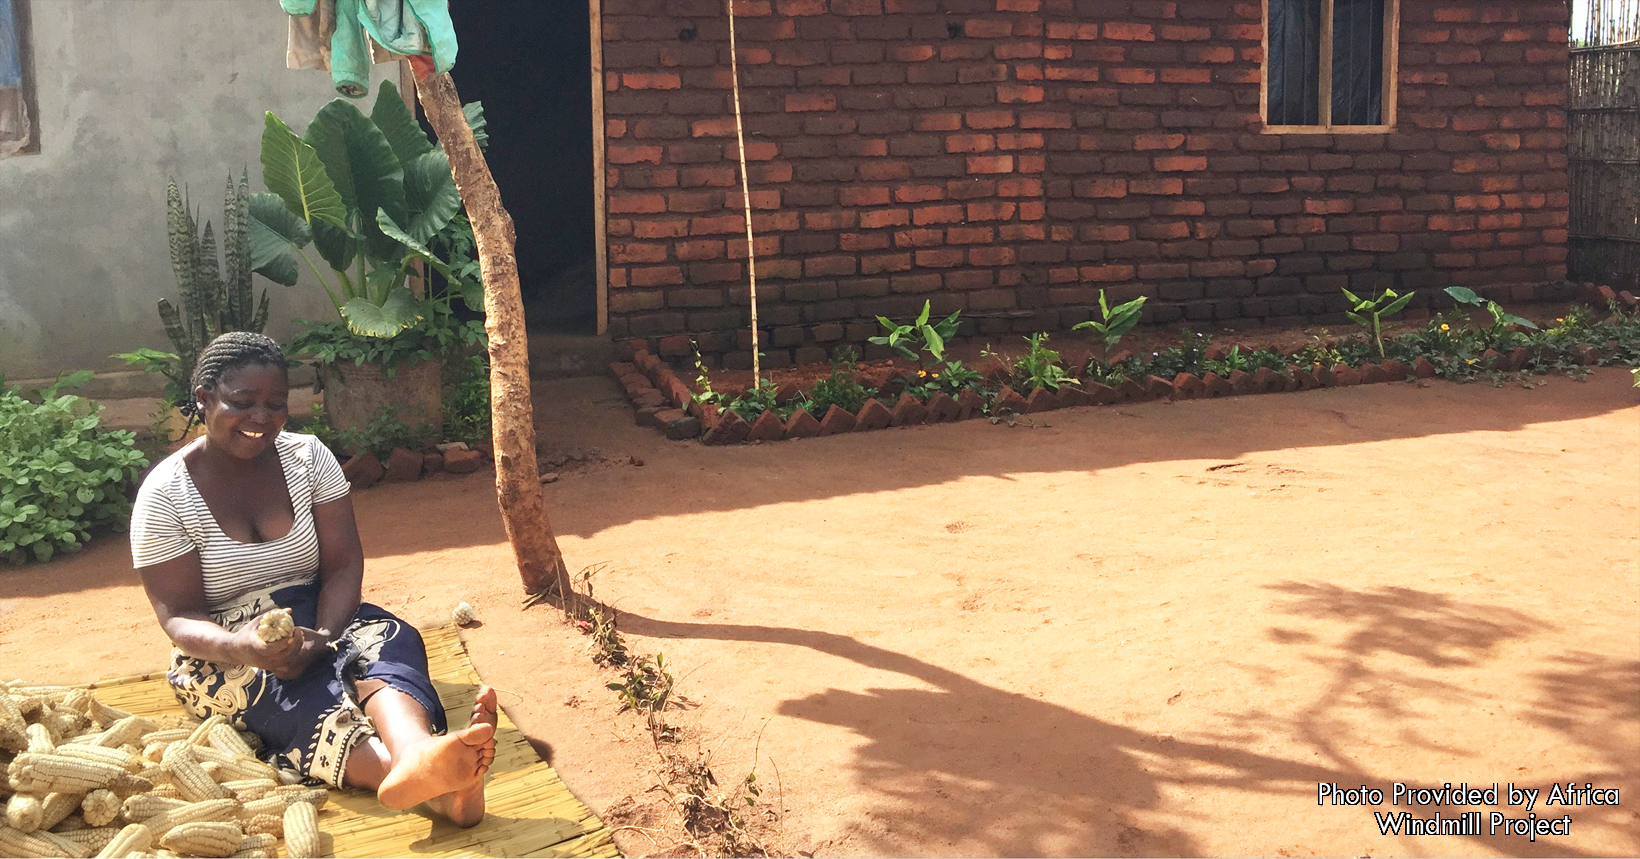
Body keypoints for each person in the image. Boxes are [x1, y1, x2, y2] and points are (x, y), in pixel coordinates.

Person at [128, 332, 496, 826]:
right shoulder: (165, 495)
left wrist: (323, 636)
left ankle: (415, 753)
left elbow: (343, 564)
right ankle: (436, 785)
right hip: (221, 643)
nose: (261, 418)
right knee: (287, 695)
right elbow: (178, 615)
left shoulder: (308, 458)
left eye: (275, 404)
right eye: (242, 402)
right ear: (202, 399)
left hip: (321, 611)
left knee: (388, 641)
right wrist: (245, 648)